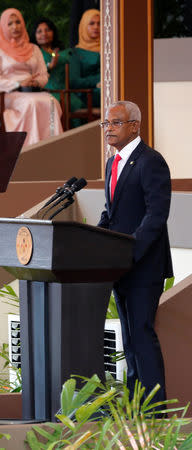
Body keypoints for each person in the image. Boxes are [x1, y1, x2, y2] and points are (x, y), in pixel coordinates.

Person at [98, 100, 173, 404]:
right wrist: (95, 238)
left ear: (134, 126)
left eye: (115, 123)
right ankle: (136, 405)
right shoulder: (112, 162)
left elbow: (156, 216)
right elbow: (111, 213)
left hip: (143, 266)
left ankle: (156, 413)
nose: (108, 129)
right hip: (120, 265)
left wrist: (131, 252)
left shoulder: (150, 161)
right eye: (106, 124)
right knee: (129, 341)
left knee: (142, 336)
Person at [0, 8, 63, 147]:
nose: (15, 26)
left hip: (31, 90)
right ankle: (29, 149)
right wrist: (19, 83)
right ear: (3, 26)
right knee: (31, 103)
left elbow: (43, 74)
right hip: (7, 93)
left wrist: (35, 82)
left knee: (51, 102)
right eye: (10, 24)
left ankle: (52, 147)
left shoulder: (33, 48)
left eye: (18, 22)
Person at [30, 17, 83, 127]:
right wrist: (50, 66)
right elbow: (34, 72)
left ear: (53, 32)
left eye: (47, 30)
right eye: (39, 31)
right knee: (57, 104)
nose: (44, 33)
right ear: (34, 35)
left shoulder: (59, 51)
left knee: (76, 103)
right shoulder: (33, 52)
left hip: (66, 91)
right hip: (46, 91)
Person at [69, 8, 100, 108]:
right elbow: (75, 81)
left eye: (99, 23)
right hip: (88, 95)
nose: (96, 27)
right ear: (83, 26)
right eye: (91, 23)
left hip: (108, 89)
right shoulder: (76, 53)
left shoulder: (110, 49)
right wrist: (98, 81)